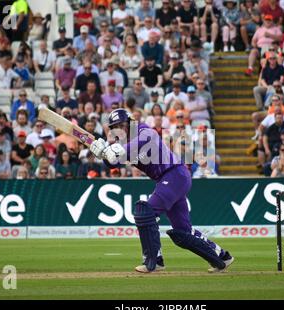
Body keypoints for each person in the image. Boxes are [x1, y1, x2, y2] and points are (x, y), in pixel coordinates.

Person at [89, 109, 234, 273]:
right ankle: (222, 257)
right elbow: (114, 162)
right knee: (183, 233)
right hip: (170, 180)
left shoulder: (142, 130)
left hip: (174, 175)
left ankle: (154, 260)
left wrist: (115, 150)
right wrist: (103, 155)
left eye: (121, 125)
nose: (119, 129)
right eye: (115, 127)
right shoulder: (121, 145)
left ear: (130, 122)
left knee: (145, 212)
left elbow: (146, 138)